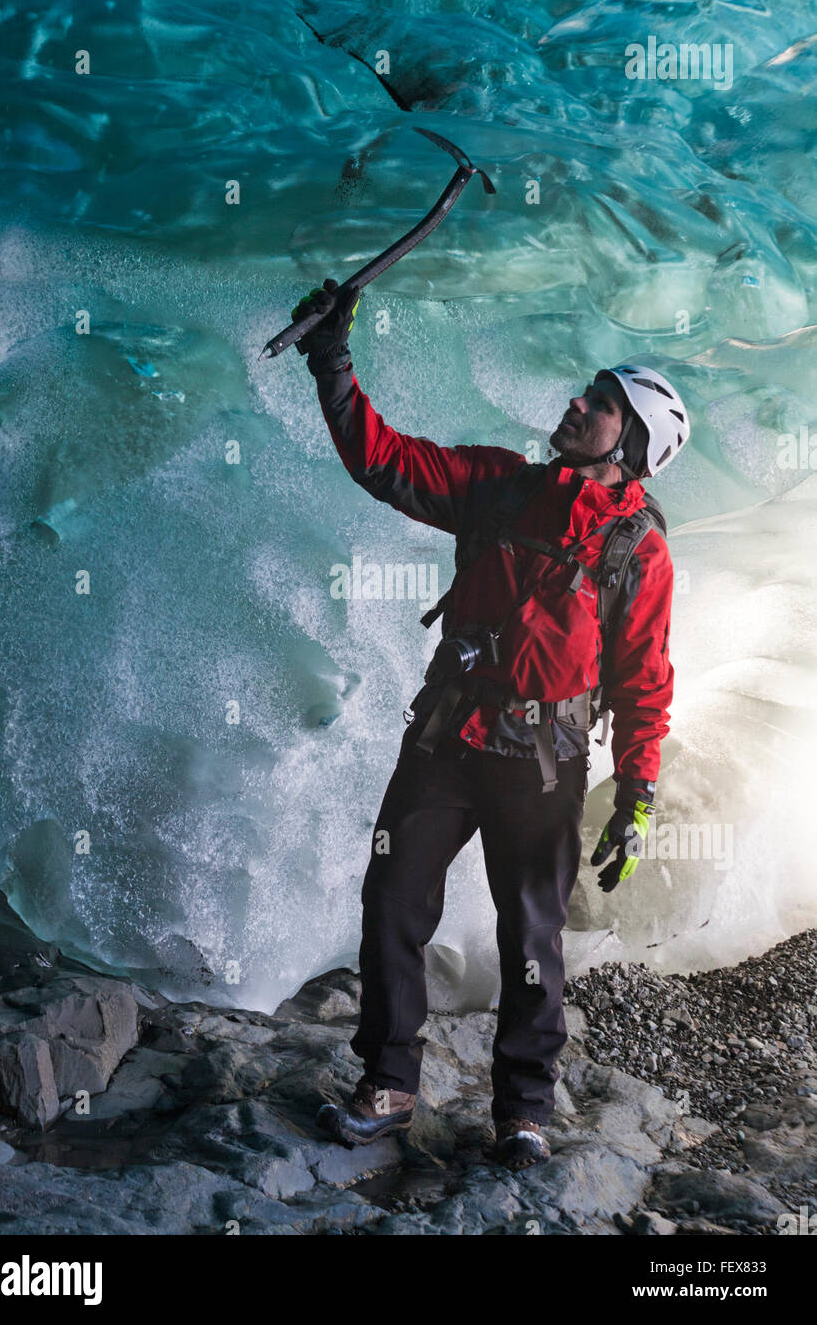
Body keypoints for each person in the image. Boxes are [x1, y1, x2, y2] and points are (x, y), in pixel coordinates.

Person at [292, 279, 691, 1170]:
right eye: (585, 393)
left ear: (629, 444)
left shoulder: (639, 554)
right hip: (444, 743)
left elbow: (642, 681)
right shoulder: (497, 488)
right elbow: (380, 459)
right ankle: (389, 1085)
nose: (576, 405)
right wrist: (333, 360)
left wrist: (639, 793)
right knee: (393, 902)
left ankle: (524, 1112)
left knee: (532, 940)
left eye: (598, 406)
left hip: (542, 769)